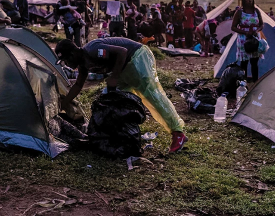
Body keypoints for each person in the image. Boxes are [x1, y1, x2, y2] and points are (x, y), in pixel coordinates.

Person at [55, 37, 187, 153]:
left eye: (65, 61)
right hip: (124, 68)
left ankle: (178, 133)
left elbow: (122, 52)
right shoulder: (83, 65)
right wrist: (64, 103)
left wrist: (115, 76)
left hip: (137, 57)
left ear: (72, 55)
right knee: (119, 102)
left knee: (152, 96)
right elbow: (77, 86)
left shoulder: (93, 50)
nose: (66, 65)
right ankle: (127, 136)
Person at [231, 0, 264, 82]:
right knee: (244, 62)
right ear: (244, 0)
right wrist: (245, 32)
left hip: (255, 38)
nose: (250, 1)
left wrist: (257, 30)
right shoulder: (239, 12)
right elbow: (233, 27)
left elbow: (261, 24)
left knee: (254, 61)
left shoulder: (256, 11)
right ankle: (243, 82)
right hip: (243, 39)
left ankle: (255, 81)